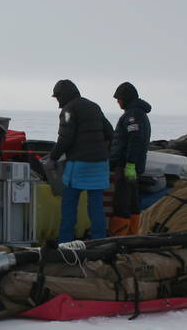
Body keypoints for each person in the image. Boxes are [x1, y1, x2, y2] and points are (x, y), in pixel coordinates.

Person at [47, 79, 113, 242]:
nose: (58, 102)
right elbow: (110, 132)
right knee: (96, 205)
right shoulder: (94, 106)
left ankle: (66, 241)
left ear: (63, 96)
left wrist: (52, 158)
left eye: (57, 98)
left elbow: (65, 139)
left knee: (69, 203)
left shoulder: (69, 110)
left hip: (80, 164)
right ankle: (99, 241)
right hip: (100, 164)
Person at [108, 81, 152, 236]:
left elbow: (135, 140)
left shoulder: (133, 115)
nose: (118, 102)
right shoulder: (138, 113)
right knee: (132, 203)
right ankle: (133, 236)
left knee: (121, 204)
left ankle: (118, 240)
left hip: (127, 166)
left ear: (125, 98)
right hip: (132, 166)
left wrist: (130, 164)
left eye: (119, 99)